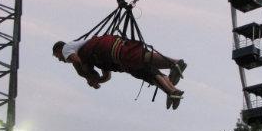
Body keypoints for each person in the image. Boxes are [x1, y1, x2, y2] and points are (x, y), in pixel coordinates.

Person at [52, 35, 187, 109]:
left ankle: (174, 63)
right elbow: (107, 76)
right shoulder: (93, 57)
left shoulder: (67, 49)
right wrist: (97, 80)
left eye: (56, 56)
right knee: (142, 71)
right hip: (110, 54)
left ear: (59, 50)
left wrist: (87, 76)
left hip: (110, 48)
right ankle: (172, 91)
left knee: (138, 57)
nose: (59, 60)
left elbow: (76, 62)